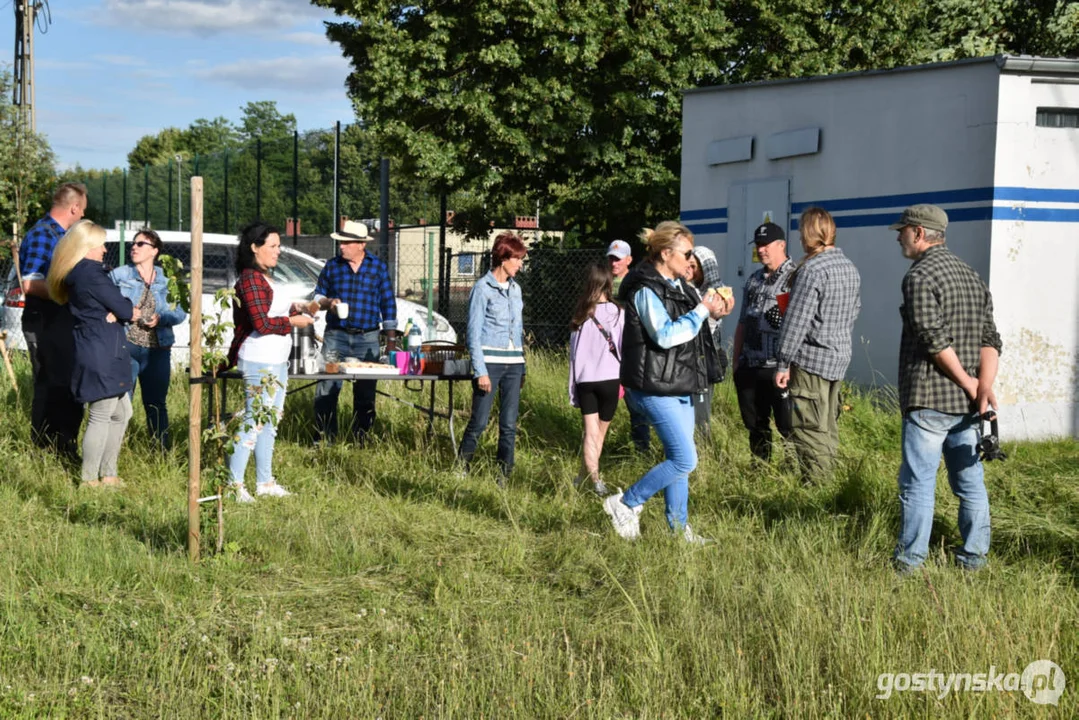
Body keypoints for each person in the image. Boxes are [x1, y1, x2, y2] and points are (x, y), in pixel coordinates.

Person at [889, 204, 1001, 572]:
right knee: (969, 483)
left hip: (929, 399)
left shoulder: (919, 276)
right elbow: (991, 340)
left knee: (918, 484)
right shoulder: (971, 275)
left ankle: (910, 564)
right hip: (967, 405)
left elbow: (933, 341)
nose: (898, 236)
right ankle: (974, 558)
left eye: (902, 230)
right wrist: (982, 389)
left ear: (919, 233)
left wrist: (973, 384)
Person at [603, 221, 727, 543]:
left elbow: (694, 326)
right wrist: (701, 311)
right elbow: (666, 335)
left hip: (680, 382)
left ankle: (677, 529)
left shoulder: (680, 286)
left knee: (679, 460)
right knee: (686, 458)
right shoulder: (645, 288)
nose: (691, 260)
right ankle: (626, 503)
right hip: (653, 386)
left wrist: (713, 312)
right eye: (686, 253)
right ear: (665, 252)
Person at [226, 222, 316, 502]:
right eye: (273, 246)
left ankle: (264, 482)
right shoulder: (249, 280)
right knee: (254, 421)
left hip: (278, 359)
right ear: (255, 248)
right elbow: (261, 323)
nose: (278, 251)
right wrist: (292, 321)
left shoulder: (267, 279)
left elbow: (280, 308)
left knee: (270, 420)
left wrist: (308, 307)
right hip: (257, 360)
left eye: (279, 246)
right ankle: (233, 486)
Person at [45, 221, 139, 488]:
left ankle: (108, 474)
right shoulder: (90, 274)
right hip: (101, 352)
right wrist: (123, 310)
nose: (104, 249)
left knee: (123, 412)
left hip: (104, 348)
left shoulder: (82, 274)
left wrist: (118, 311)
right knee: (101, 414)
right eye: (100, 244)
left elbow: (118, 309)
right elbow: (124, 308)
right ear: (87, 248)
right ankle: (90, 479)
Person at [774, 208, 861, 481]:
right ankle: (831, 487)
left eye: (802, 232)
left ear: (809, 234)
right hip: (837, 359)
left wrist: (783, 362)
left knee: (809, 430)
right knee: (827, 427)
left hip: (811, 361)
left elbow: (796, 322)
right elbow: (855, 310)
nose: (800, 238)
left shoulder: (812, 270)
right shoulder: (849, 267)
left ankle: (818, 490)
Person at [18, 182, 88, 461]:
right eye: (82, 210)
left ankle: (63, 443)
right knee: (48, 384)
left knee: (65, 383)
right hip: (44, 320)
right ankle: (45, 447)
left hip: (59, 320)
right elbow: (29, 283)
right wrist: (72, 295)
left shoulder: (62, 236)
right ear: (74, 207)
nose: (82, 216)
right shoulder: (43, 235)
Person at [312, 220, 398, 444]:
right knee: (327, 388)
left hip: (368, 337)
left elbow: (388, 304)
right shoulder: (332, 266)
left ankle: (362, 438)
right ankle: (324, 439)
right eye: (340, 242)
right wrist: (328, 302)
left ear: (361, 244)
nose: (341, 246)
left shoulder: (377, 268)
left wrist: (390, 340)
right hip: (335, 337)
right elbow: (316, 297)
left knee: (366, 394)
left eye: (346, 242)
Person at [457, 232, 528, 484]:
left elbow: (518, 330)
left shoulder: (516, 289)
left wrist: (523, 367)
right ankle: (461, 468)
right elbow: (472, 333)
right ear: (504, 258)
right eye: (518, 259)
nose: (521, 264)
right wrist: (480, 370)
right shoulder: (482, 288)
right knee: (479, 421)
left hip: (514, 364)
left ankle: (503, 476)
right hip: (490, 364)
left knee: (509, 425)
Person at [109, 229, 187, 449]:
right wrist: (122, 311)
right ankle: (113, 452)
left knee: (156, 404)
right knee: (121, 403)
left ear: (155, 251)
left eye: (141, 244)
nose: (134, 247)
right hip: (127, 347)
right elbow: (104, 302)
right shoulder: (120, 275)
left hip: (158, 350)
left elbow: (181, 313)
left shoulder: (168, 280)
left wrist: (160, 318)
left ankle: (161, 452)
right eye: (133, 244)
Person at [732, 222, 796, 462]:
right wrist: (736, 361)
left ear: (781, 245)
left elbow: (797, 327)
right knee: (755, 425)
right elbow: (742, 322)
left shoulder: (794, 278)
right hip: (750, 365)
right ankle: (760, 468)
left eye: (766, 245)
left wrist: (788, 365)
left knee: (787, 426)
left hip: (777, 367)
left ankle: (791, 472)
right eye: (758, 245)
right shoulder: (754, 279)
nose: (761, 250)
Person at [568, 262, 625, 496]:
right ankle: (595, 481)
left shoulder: (580, 316)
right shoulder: (619, 313)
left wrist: (572, 387)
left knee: (590, 433)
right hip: (611, 379)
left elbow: (573, 356)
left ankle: (587, 477)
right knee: (599, 434)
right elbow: (623, 348)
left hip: (585, 381)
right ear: (608, 284)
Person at [683, 246, 735, 437]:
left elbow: (711, 336)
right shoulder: (683, 289)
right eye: (687, 264)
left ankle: (702, 455)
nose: (689, 269)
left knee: (701, 414)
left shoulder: (712, 292)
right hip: (687, 361)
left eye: (694, 266)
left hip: (703, 362)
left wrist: (715, 317)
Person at [610, 238, 651, 454]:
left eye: (617, 259)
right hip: (608, 352)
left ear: (629, 260)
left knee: (636, 404)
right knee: (605, 404)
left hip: (630, 350)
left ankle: (641, 449)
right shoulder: (603, 281)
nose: (613, 263)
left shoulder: (636, 284)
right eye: (611, 258)